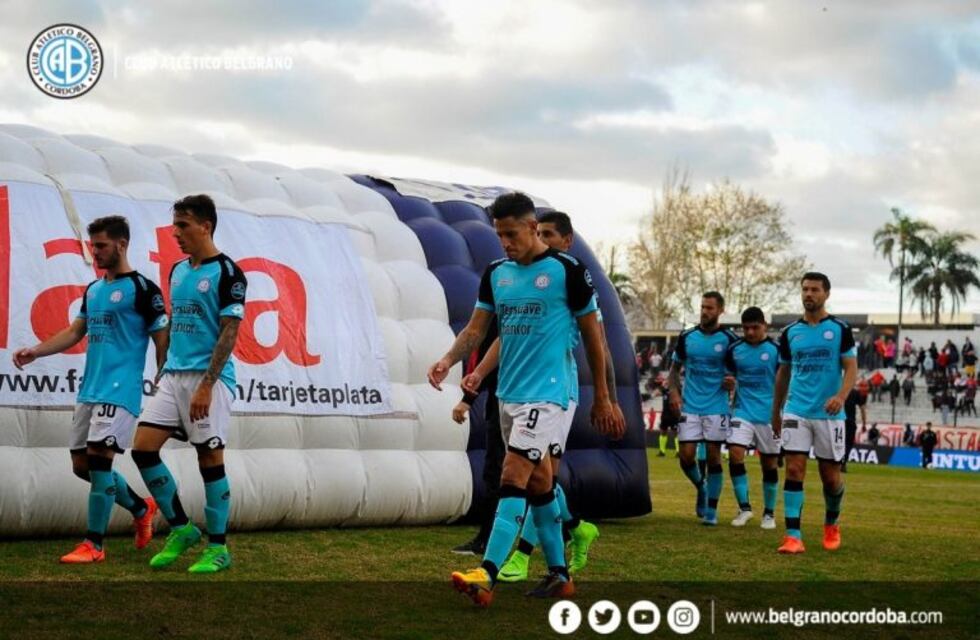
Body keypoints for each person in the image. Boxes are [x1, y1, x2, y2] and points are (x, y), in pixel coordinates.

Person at [430, 192, 621, 607]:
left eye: (511, 234)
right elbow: (478, 331)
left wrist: (604, 398)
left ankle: (489, 572)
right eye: (499, 235)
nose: (505, 243)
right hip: (509, 393)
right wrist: (450, 361)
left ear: (533, 228)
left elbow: (594, 337)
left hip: (550, 393)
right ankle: (559, 575)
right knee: (540, 481)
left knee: (513, 474)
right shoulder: (496, 273)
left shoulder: (567, 270)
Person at [12, 215, 168, 563]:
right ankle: (142, 508)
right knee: (82, 466)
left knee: (99, 461)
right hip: (90, 390)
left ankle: (94, 545)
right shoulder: (94, 290)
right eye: (92, 245)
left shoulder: (144, 289)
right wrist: (35, 351)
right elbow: (74, 331)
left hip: (120, 390)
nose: (94, 252)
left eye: (101, 245)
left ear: (121, 245)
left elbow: (161, 335)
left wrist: (163, 372)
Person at [130, 195, 248, 574]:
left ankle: (218, 548)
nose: (176, 232)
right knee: (143, 449)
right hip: (174, 376)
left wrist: (207, 385)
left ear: (206, 226)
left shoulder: (229, 273)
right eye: (174, 225)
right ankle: (181, 528)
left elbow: (230, 332)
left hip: (208, 380)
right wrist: (164, 368)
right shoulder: (178, 271)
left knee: (209, 459)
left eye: (183, 225)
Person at [771, 272, 857, 554]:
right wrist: (776, 410)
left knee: (830, 478)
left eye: (815, 290)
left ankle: (831, 524)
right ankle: (793, 536)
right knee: (794, 468)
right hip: (796, 409)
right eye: (805, 289)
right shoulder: (790, 332)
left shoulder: (840, 329)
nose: (809, 294)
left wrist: (841, 397)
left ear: (826, 294)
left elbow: (851, 368)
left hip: (829, 414)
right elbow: (783, 373)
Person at [668, 292, 738, 526]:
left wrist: (732, 382)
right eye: (702, 307)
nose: (705, 311)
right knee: (686, 457)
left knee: (713, 456)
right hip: (691, 405)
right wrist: (674, 392)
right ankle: (702, 485)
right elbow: (674, 368)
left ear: (720, 310)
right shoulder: (687, 336)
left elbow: (736, 372)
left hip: (717, 407)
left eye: (710, 308)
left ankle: (711, 511)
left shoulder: (729, 339)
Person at [722, 307, 780, 529]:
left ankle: (769, 513)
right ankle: (744, 508)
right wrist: (728, 382)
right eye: (746, 328)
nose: (750, 332)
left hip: (768, 414)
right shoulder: (735, 349)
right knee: (736, 454)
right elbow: (728, 374)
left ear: (764, 325)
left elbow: (785, 380)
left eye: (755, 327)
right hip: (742, 410)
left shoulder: (776, 350)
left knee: (769, 464)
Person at [449, 322, 502, 557]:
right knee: (500, 472)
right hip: (503, 398)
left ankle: (565, 529)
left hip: (531, 397)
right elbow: (481, 341)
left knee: (529, 475)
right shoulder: (500, 303)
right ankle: (489, 538)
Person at [842, 385, 867, 473]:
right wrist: (864, 423)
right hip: (850, 421)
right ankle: (843, 462)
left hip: (839, 421)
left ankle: (837, 462)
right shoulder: (855, 392)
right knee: (848, 443)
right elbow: (862, 408)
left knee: (839, 442)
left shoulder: (837, 390)